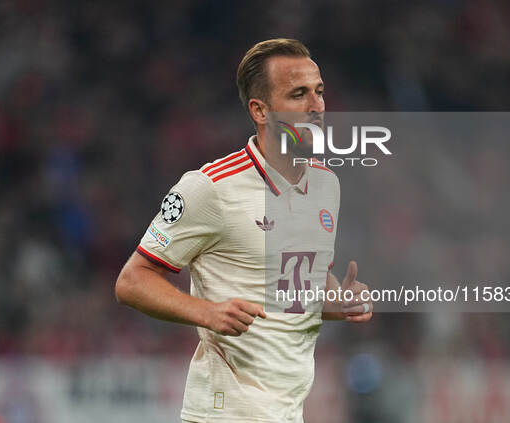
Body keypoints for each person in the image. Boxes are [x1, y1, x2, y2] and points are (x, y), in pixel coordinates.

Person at [115, 38, 372, 423]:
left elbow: (294, 289)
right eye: (298, 95)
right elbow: (132, 281)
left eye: (319, 92)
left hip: (287, 412)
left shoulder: (325, 185)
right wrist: (206, 311)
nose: (317, 107)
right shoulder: (211, 188)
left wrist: (338, 302)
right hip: (224, 413)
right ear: (261, 110)